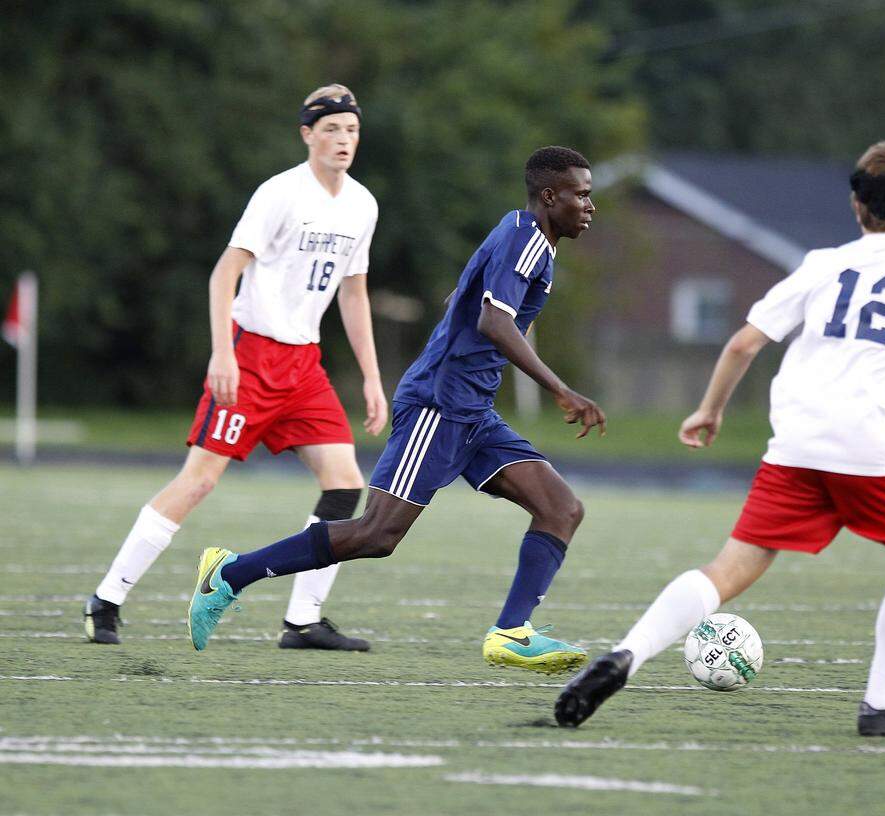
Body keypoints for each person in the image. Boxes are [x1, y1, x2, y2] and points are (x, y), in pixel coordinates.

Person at [555, 141, 885, 735]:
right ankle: (882, 706)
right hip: (873, 449)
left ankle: (627, 652)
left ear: (857, 204)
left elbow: (742, 344)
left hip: (797, 443)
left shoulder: (821, 265)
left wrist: (709, 411)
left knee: (730, 568)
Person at [186, 146, 605, 674]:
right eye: (582, 195)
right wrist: (561, 389)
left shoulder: (524, 235)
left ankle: (512, 632)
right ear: (550, 196)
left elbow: (463, 298)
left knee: (561, 508)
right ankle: (230, 574)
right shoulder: (526, 241)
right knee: (376, 535)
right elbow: (493, 323)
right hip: (439, 405)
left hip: (471, 411)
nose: (590, 206)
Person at [84, 84, 386, 652]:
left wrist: (371, 376)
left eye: (351, 131)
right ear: (307, 135)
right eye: (331, 130)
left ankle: (302, 622)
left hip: (304, 366)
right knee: (198, 482)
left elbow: (354, 294)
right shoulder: (280, 193)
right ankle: (106, 599)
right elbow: (225, 274)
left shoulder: (362, 204)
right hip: (251, 357)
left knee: (346, 484)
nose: (343, 140)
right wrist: (223, 352)